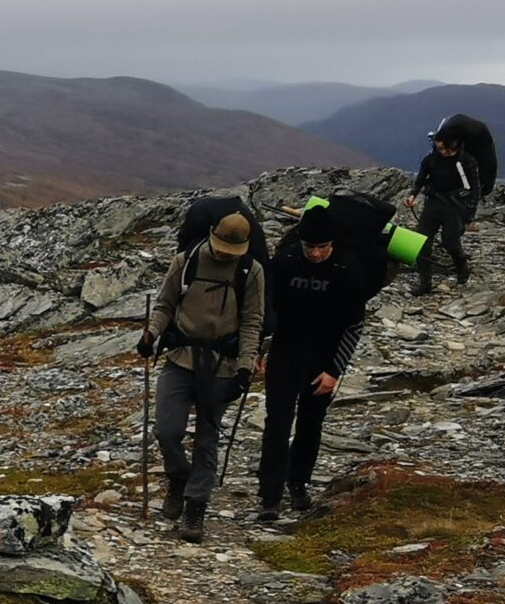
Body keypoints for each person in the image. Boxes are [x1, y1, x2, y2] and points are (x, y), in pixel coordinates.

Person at [137, 211, 265, 543]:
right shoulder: (186, 261)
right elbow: (165, 304)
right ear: (211, 233)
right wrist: (150, 335)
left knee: (208, 438)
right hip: (180, 358)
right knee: (167, 430)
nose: (225, 254)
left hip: (221, 365)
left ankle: (196, 505)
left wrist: (244, 367)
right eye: (221, 246)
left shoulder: (251, 272)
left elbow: (253, 321)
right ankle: (178, 478)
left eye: (232, 250)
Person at [255, 205, 371, 525]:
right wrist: (259, 348)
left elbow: (354, 325)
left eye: (322, 247)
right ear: (301, 243)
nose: (317, 253)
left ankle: (298, 483)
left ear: (332, 243)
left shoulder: (348, 269)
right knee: (276, 424)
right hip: (285, 353)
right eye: (311, 247)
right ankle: (270, 495)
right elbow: (267, 311)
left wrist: (335, 371)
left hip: (323, 360)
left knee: (310, 424)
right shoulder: (286, 263)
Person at [405, 129, 481, 293]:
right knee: (422, 242)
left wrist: (470, 212)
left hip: (454, 206)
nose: (444, 152)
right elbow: (420, 180)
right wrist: (412, 195)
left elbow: (475, 187)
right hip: (433, 203)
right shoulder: (430, 161)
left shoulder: (467, 161)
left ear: (454, 144)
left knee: (450, 242)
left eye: (447, 148)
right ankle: (425, 283)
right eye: (440, 148)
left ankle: (461, 266)